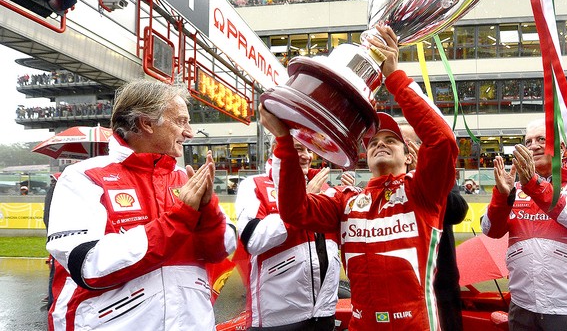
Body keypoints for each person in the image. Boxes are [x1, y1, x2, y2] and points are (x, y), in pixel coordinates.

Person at [259, 23, 459, 330]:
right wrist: (286, 142)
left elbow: (443, 141)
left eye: (391, 141)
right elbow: (293, 211)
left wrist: (394, 77)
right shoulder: (345, 201)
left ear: (409, 156)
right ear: (363, 157)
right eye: (374, 142)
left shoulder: (423, 192)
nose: (380, 144)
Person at [46, 80, 237, 330]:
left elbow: (222, 250)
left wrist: (209, 211)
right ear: (146, 123)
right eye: (180, 121)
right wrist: (182, 216)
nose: (189, 132)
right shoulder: (83, 177)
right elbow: (88, 265)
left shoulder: (185, 178)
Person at [481, 118, 567, 331]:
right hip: (523, 307)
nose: (534, 145)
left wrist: (535, 185)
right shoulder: (515, 187)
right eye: (528, 141)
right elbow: (490, 230)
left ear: (562, 148)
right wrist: (502, 197)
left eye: (541, 139)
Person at [235, 136, 353, 330]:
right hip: (279, 317)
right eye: (299, 149)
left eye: (309, 150)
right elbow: (252, 240)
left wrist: (352, 196)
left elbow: (344, 236)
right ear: (277, 149)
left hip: (324, 312)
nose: (306, 156)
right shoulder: (254, 184)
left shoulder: (324, 189)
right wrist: (301, 202)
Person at [400, 124, 468, 331]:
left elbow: (459, 212)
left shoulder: (442, 175)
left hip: (440, 287)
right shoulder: (384, 181)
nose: (403, 149)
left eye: (407, 143)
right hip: (402, 290)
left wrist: (428, 178)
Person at [42, 173, 60, 308]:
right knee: (57, 268)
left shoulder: (54, 190)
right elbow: (48, 217)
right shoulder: (55, 190)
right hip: (59, 236)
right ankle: (53, 300)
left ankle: (53, 298)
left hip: (57, 235)